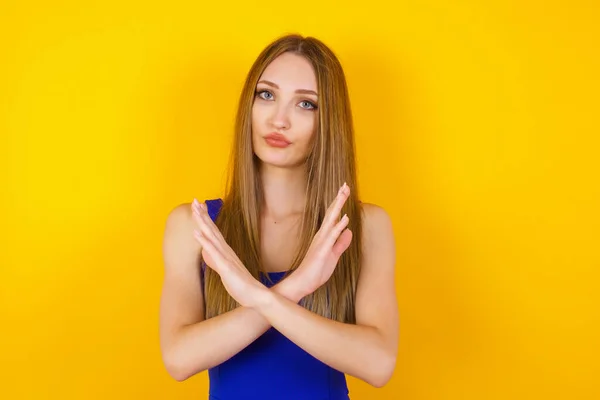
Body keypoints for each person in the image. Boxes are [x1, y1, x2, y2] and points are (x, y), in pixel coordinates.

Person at [159, 33, 399, 399]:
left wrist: (261, 297)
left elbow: (378, 363)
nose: (279, 120)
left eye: (306, 104)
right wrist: (296, 287)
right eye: (266, 95)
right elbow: (179, 357)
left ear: (328, 122)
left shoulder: (363, 227)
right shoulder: (196, 225)